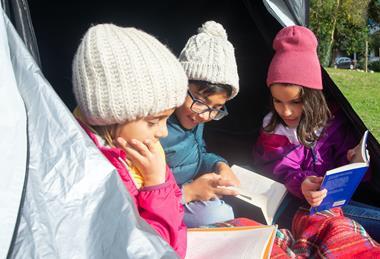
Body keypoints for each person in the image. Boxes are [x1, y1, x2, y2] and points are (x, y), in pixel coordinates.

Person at [252, 25, 380, 241]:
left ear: (312, 97)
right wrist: (302, 183)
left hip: (335, 202)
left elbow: (348, 173)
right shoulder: (274, 131)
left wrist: (352, 162)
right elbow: (278, 169)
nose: (286, 111)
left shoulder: (333, 122)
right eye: (277, 101)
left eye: (295, 102)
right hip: (298, 206)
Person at [72, 24, 188, 257]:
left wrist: (160, 178)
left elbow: (175, 207)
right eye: (154, 120)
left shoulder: (136, 150)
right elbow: (145, 250)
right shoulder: (94, 173)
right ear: (111, 116)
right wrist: (156, 183)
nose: (163, 132)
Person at [161, 21, 240, 227]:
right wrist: (189, 193)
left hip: (187, 192)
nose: (206, 116)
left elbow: (198, 152)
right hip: (165, 204)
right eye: (201, 102)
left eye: (217, 108)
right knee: (218, 215)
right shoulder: (154, 126)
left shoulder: (196, 115)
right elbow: (138, 195)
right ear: (180, 84)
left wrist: (219, 165)